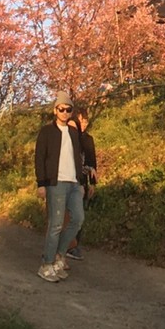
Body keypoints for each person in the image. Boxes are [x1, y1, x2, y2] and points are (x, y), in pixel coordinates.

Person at [34, 92, 96, 283]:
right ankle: (46, 264)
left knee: (78, 219)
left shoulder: (74, 133)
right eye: (61, 109)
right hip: (56, 183)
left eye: (68, 110)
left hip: (74, 183)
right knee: (56, 224)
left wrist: (82, 181)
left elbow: (78, 158)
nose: (64, 112)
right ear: (55, 110)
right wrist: (41, 184)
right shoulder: (47, 132)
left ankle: (59, 256)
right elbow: (40, 158)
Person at [65, 106, 99, 261]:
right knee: (67, 215)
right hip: (67, 180)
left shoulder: (88, 139)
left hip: (82, 181)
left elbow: (92, 162)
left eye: (85, 122)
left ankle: (75, 245)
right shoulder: (69, 136)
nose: (83, 125)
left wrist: (92, 183)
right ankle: (64, 245)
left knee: (79, 215)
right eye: (80, 121)